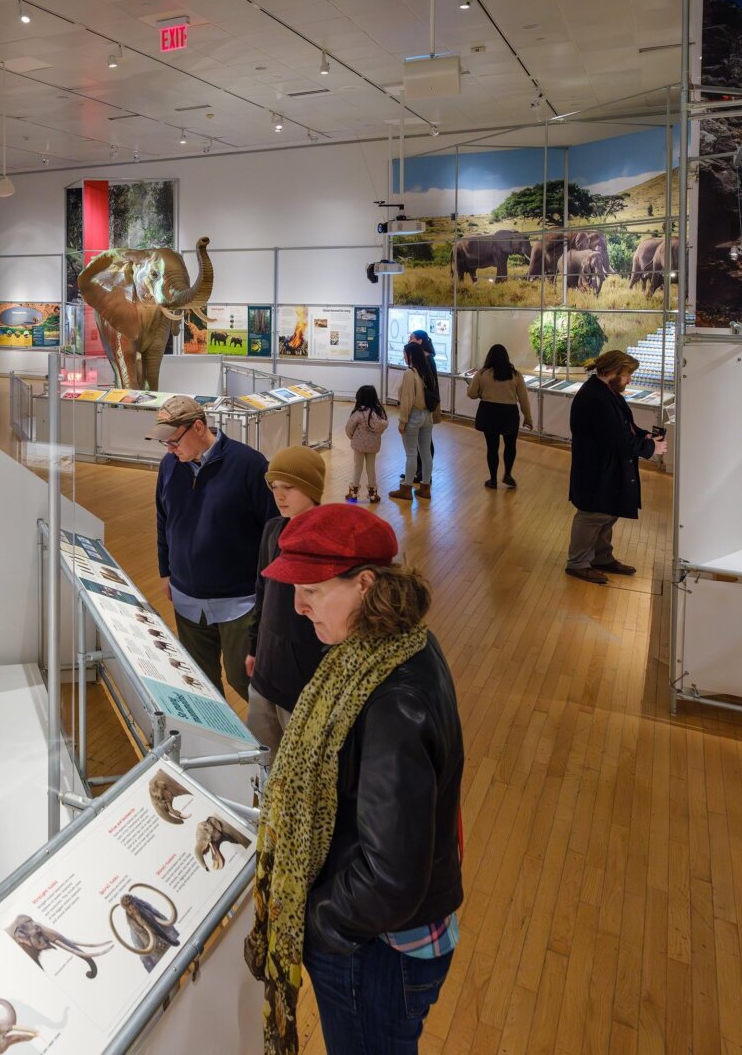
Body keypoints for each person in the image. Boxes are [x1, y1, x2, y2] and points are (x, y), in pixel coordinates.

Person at [244, 504, 464, 1055]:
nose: (297, 606)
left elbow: (391, 879)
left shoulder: (392, 700)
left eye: (313, 591)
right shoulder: (394, 646)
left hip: (381, 952)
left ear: (365, 584)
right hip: (385, 937)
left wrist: (317, 923)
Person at [150, 395, 278, 700]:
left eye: (173, 441)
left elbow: (272, 531)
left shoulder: (249, 464)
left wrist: (269, 591)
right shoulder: (169, 466)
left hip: (240, 602)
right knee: (200, 685)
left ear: (197, 427)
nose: (169, 448)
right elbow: (163, 519)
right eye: (164, 443)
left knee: (244, 680)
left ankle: (270, 745)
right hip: (186, 601)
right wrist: (166, 571)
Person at [244, 446, 330, 759]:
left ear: (311, 488)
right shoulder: (271, 530)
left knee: (300, 765)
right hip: (266, 670)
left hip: (303, 680)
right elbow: (262, 590)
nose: (280, 497)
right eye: (274, 488)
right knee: (263, 760)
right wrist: (255, 647)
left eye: (289, 488)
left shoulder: (327, 542)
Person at [566, 349, 665, 584]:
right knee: (593, 514)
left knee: (606, 512)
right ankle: (577, 562)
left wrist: (645, 437)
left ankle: (601, 557)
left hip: (605, 467)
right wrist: (650, 448)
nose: (629, 379)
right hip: (596, 469)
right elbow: (618, 438)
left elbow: (625, 426)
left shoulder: (605, 392)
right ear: (611, 372)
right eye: (627, 374)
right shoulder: (596, 398)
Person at [467, 343, 532, 490]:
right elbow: (523, 399)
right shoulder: (515, 375)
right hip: (509, 413)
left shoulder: (483, 373)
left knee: (492, 447)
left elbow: (471, 394)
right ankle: (508, 474)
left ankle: (493, 479)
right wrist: (528, 418)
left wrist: (481, 393)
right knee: (510, 446)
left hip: (489, 412)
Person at [389, 340, 438, 502]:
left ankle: (406, 489)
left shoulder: (410, 373)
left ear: (410, 355)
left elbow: (407, 400)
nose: (403, 357)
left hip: (414, 417)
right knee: (425, 453)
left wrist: (402, 422)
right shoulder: (426, 371)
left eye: (404, 354)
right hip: (427, 417)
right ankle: (425, 488)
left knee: (411, 453)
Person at [343, 385, 388, 505]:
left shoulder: (358, 413)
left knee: (358, 467)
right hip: (373, 446)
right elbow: (382, 426)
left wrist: (352, 437)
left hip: (358, 446)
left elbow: (349, 427)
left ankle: (353, 493)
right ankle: (373, 494)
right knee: (371, 468)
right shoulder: (379, 412)